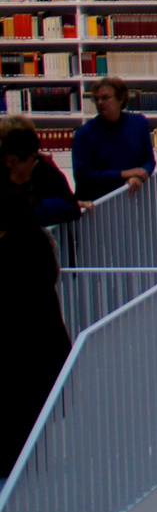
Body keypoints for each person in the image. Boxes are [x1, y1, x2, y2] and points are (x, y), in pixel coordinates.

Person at [0, 125, 74, 475]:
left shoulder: (21, 252)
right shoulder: (36, 248)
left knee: (22, 423)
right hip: (40, 350)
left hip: (29, 351)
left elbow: (67, 204)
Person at [70, 77, 153, 202]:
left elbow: (149, 160)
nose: (99, 103)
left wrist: (139, 177)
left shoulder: (139, 123)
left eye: (105, 98)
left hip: (131, 197)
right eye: (96, 99)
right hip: (97, 202)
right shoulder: (84, 133)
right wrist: (123, 174)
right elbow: (82, 174)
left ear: (120, 99)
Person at [1, 117, 78, 228]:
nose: (8, 165)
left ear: (31, 156)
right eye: (5, 160)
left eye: (14, 161)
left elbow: (71, 208)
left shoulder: (48, 174)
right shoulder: (4, 173)